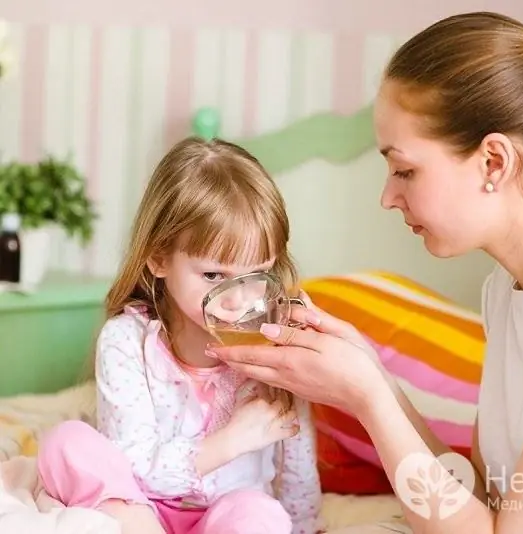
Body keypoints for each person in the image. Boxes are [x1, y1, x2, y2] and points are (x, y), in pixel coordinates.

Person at [209, 11, 523, 534]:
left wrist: (369, 398)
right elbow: (472, 496)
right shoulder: (508, 291)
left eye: (404, 169)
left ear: (494, 161)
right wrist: (374, 378)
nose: (388, 197)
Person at [36, 137, 323, 534]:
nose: (238, 300)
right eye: (213, 276)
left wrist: (306, 525)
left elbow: (297, 454)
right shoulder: (127, 341)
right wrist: (233, 440)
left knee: (263, 515)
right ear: (159, 258)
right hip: (139, 507)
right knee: (64, 443)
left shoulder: (272, 345)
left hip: (228, 513)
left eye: (256, 275)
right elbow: (132, 466)